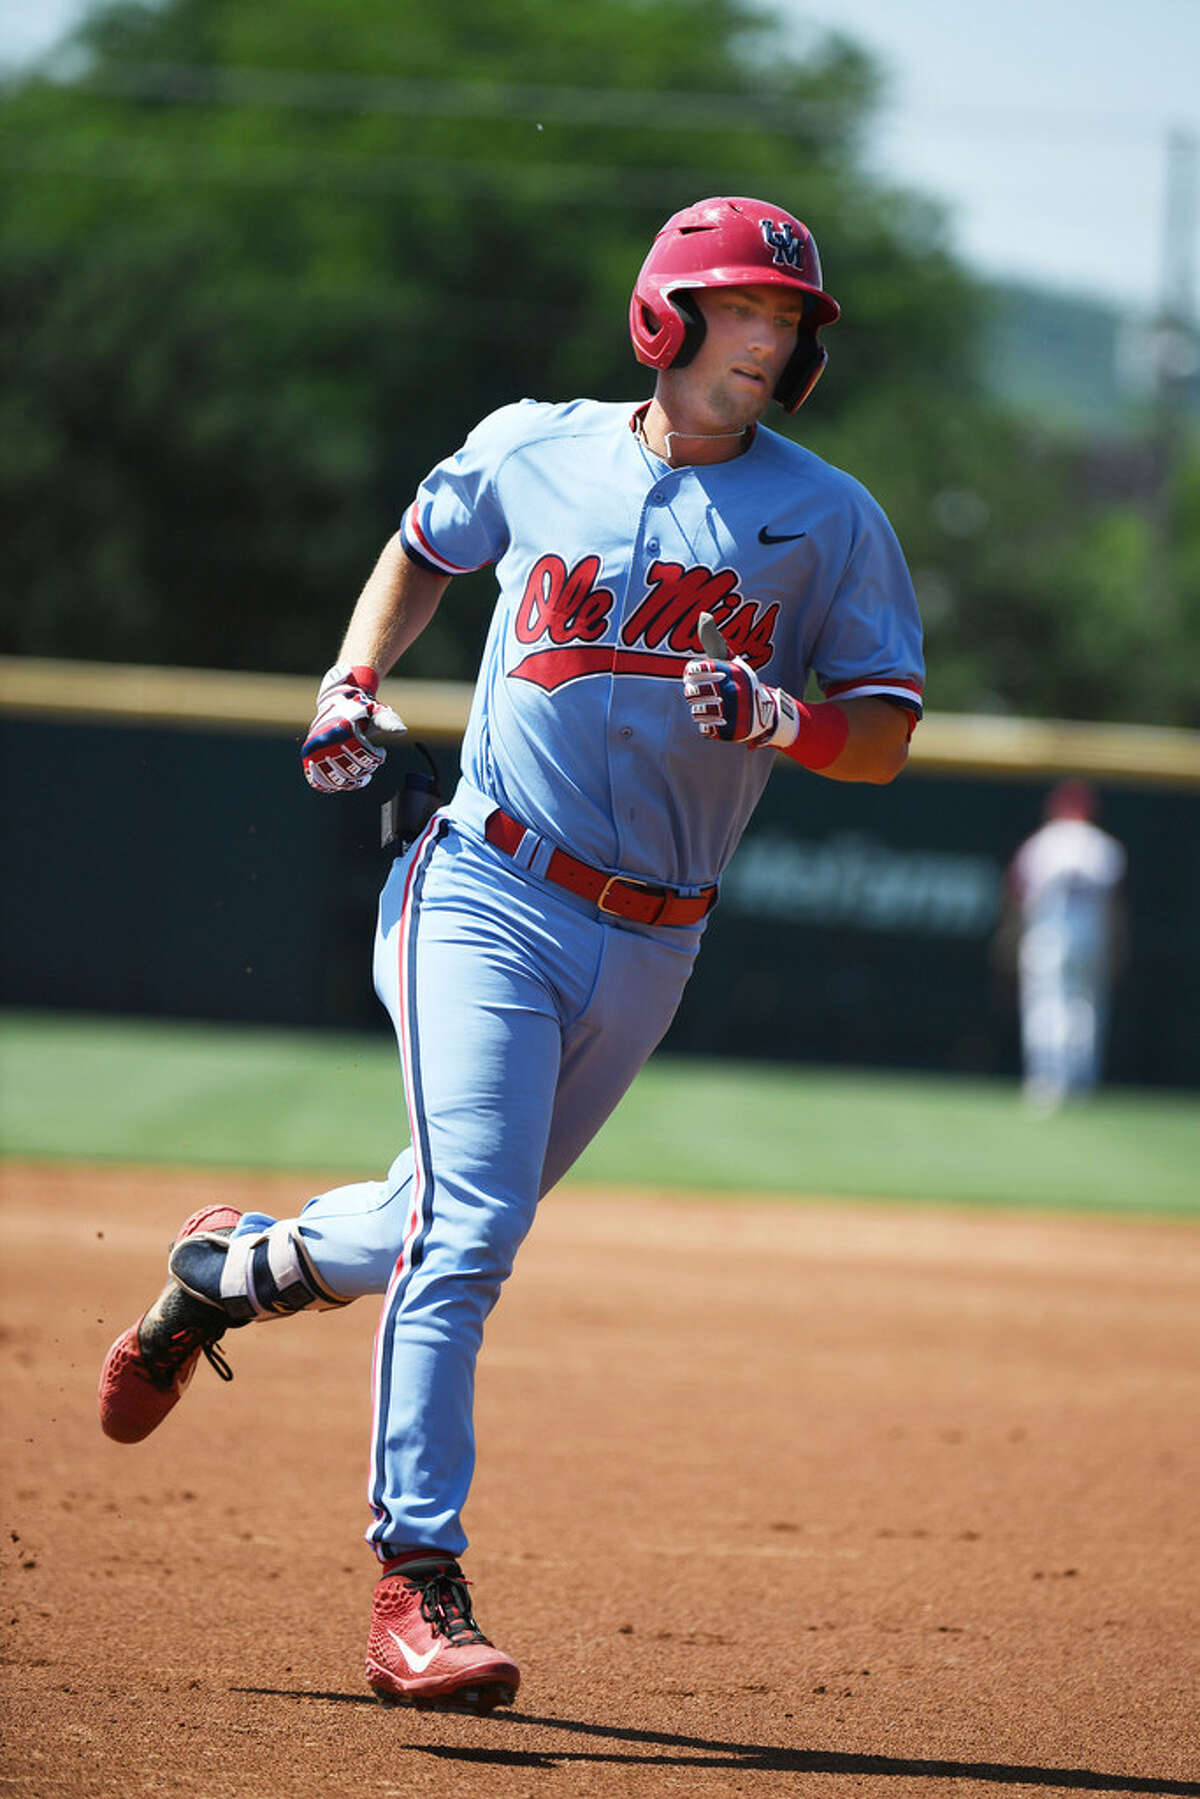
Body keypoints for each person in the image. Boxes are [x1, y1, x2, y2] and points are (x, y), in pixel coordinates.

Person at [97, 196, 925, 1712]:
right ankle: (415, 1580)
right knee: (470, 1234)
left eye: (791, 318)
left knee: (426, 1219)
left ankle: (226, 1267)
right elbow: (421, 546)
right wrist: (352, 676)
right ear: (668, 316)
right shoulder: (536, 444)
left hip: (656, 941)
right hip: (483, 888)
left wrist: (791, 720)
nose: (774, 334)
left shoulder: (830, 516)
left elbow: (881, 733)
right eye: (746, 306)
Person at [1004, 779, 1126, 1110]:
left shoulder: (1041, 844)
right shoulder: (1103, 847)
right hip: (1091, 937)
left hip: (1048, 936)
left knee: (1045, 1007)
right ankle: (1081, 1083)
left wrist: (1009, 943)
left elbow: (1017, 897)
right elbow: (1115, 907)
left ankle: (1046, 1082)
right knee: (1086, 1009)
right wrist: (1116, 948)